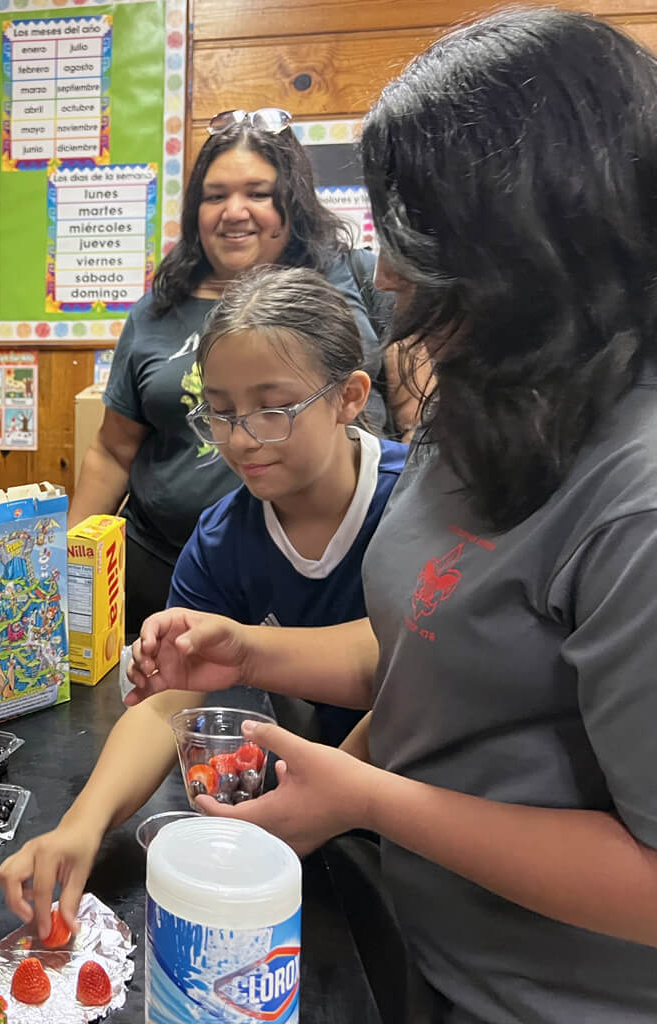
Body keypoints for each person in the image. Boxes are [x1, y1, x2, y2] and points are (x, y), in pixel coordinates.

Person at [122, 9, 657, 1021]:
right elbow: (432, 650)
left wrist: (359, 797)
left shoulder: (635, 502)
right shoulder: (490, 401)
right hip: (424, 948)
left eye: (418, 234)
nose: (393, 272)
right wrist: (250, 652)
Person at [0, 265, 407, 939]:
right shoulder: (222, 539)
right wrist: (82, 825)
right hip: (320, 813)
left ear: (350, 396)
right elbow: (166, 701)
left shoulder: (412, 509)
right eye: (220, 412)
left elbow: (412, 672)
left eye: (273, 409)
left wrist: (336, 791)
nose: (242, 439)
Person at [67, 109, 391, 635]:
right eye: (215, 196)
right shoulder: (157, 309)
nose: (233, 211)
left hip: (335, 568)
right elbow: (113, 447)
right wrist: (71, 558)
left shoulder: (355, 276)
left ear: (293, 200)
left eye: (257, 192)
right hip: (167, 565)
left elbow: (415, 410)